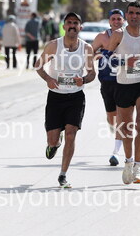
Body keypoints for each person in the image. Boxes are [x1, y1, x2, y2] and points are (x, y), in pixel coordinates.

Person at [35, 12, 96, 188]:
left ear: (80, 27)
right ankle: (55, 142)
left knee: (71, 134)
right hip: (56, 97)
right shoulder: (54, 46)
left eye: (76, 23)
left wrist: (83, 79)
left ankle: (63, 174)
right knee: (52, 140)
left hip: (76, 97)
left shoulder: (86, 49)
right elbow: (38, 66)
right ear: (64, 26)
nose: (72, 26)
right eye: (69, 23)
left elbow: (92, 73)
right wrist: (48, 79)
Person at [107, 2, 140, 184]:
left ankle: (138, 166)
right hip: (123, 85)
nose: (134, 16)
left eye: (137, 13)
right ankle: (128, 162)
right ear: (127, 16)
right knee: (126, 128)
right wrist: (124, 62)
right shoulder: (118, 34)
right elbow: (107, 58)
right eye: (131, 13)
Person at [91, 8, 125, 166]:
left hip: (124, 81)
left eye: (119, 18)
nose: (116, 21)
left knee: (122, 118)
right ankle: (111, 124)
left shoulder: (128, 36)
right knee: (112, 118)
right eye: (114, 19)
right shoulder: (102, 37)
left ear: (123, 20)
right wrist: (97, 55)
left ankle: (116, 152)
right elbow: (89, 53)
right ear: (109, 21)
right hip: (106, 81)